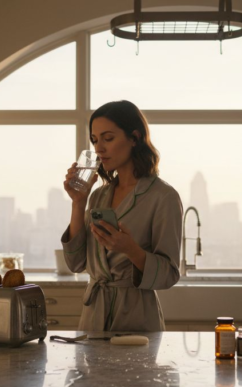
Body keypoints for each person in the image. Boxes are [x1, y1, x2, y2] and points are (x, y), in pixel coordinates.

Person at [61, 100, 183, 332]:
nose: (99, 149)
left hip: (136, 318)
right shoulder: (98, 197)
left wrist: (131, 249)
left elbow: (169, 274)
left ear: (134, 138)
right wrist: (78, 203)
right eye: (95, 140)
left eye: (108, 138)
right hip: (93, 316)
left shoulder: (163, 197)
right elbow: (76, 264)